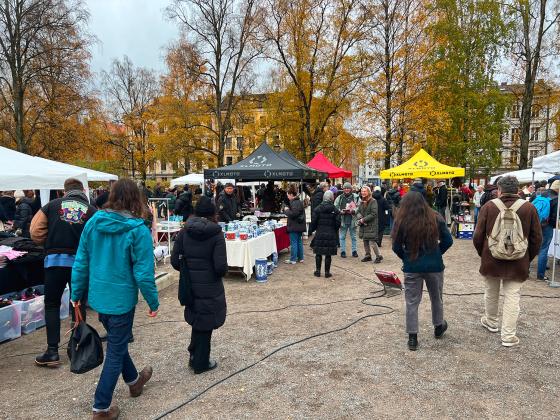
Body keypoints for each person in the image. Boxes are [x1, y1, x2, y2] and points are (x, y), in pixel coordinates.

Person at [71, 179, 160, 419]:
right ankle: (101, 407)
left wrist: (76, 294)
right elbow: (143, 272)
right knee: (116, 350)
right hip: (120, 299)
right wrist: (153, 302)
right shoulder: (137, 229)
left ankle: (134, 381)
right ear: (135, 199)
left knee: (117, 344)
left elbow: (81, 262)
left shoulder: (93, 223)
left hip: (100, 297)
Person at [30, 178, 97, 366]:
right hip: (80, 265)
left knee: (52, 304)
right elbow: (97, 238)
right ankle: (77, 347)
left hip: (55, 262)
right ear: (83, 190)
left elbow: (35, 231)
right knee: (77, 304)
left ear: (63, 191)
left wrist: (50, 241)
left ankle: (52, 351)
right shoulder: (92, 211)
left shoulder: (51, 206)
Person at [473, 176, 542, 348]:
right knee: (513, 297)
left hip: (492, 258)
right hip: (518, 260)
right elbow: (537, 239)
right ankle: (508, 336)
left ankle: (491, 322)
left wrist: (484, 254)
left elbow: (477, 236)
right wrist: (527, 257)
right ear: (517, 190)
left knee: (491, 292)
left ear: (499, 190)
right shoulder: (529, 208)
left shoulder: (489, 207)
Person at [171, 196, 227, 375]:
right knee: (205, 322)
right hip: (209, 285)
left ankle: (194, 355)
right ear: (213, 212)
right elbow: (220, 267)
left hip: (190, 284)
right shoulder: (216, 233)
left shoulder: (184, 231)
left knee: (198, 318)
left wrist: (189, 270)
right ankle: (200, 362)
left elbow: (174, 260)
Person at [392, 191, 453, 351]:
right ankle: (439, 326)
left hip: (412, 265)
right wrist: (437, 252)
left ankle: (413, 337)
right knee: (436, 298)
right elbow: (448, 240)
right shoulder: (436, 217)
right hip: (434, 265)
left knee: (412, 302)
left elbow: (396, 246)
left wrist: (406, 258)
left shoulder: (401, 220)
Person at [309, 190, 341, 278]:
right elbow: (338, 223)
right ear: (332, 198)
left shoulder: (317, 209)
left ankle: (318, 271)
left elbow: (314, 222)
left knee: (318, 253)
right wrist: (334, 229)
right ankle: (327, 272)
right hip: (331, 233)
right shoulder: (335, 210)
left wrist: (314, 229)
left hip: (320, 232)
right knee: (328, 254)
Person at [536, 180, 559, 281]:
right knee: (543, 249)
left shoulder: (541, 194)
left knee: (531, 247)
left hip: (535, 223)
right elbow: (554, 216)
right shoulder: (556, 199)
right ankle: (540, 275)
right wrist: (554, 225)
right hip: (547, 226)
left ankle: (525, 270)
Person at [356, 186, 383, 263]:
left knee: (372, 241)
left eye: (365, 191)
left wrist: (363, 219)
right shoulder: (361, 201)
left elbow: (374, 214)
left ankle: (378, 256)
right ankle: (368, 255)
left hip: (371, 225)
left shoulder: (373, 201)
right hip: (363, 224)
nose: (363, 192)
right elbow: (358, 211)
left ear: (368, 192)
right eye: (362, 191)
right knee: (365, 240)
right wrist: (359, 217)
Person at [334, 182, 359, 258]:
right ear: (343, 189)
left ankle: (354, 251)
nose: (347, 189)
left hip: (353, 219)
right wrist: (340, 211)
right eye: (345, 188)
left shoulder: (356, 197)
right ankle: (343, 251)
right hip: (343, 220)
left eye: (348, 188)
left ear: (351, 189)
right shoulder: (340, 197)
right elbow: (335, 207)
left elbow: (360, 206)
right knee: (342, 237)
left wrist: (354, 211)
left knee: (354, 237)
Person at [283, 185, 306, 264]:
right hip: (299, 225)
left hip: (294, 226)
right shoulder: (298, 201)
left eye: (288, 195)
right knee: (298, 241)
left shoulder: (295, 202)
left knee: (294, 242)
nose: (288, 196)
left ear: (291, 195)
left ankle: (293, 259)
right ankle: (300, 258)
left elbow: (293, 214)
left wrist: (286, 210)